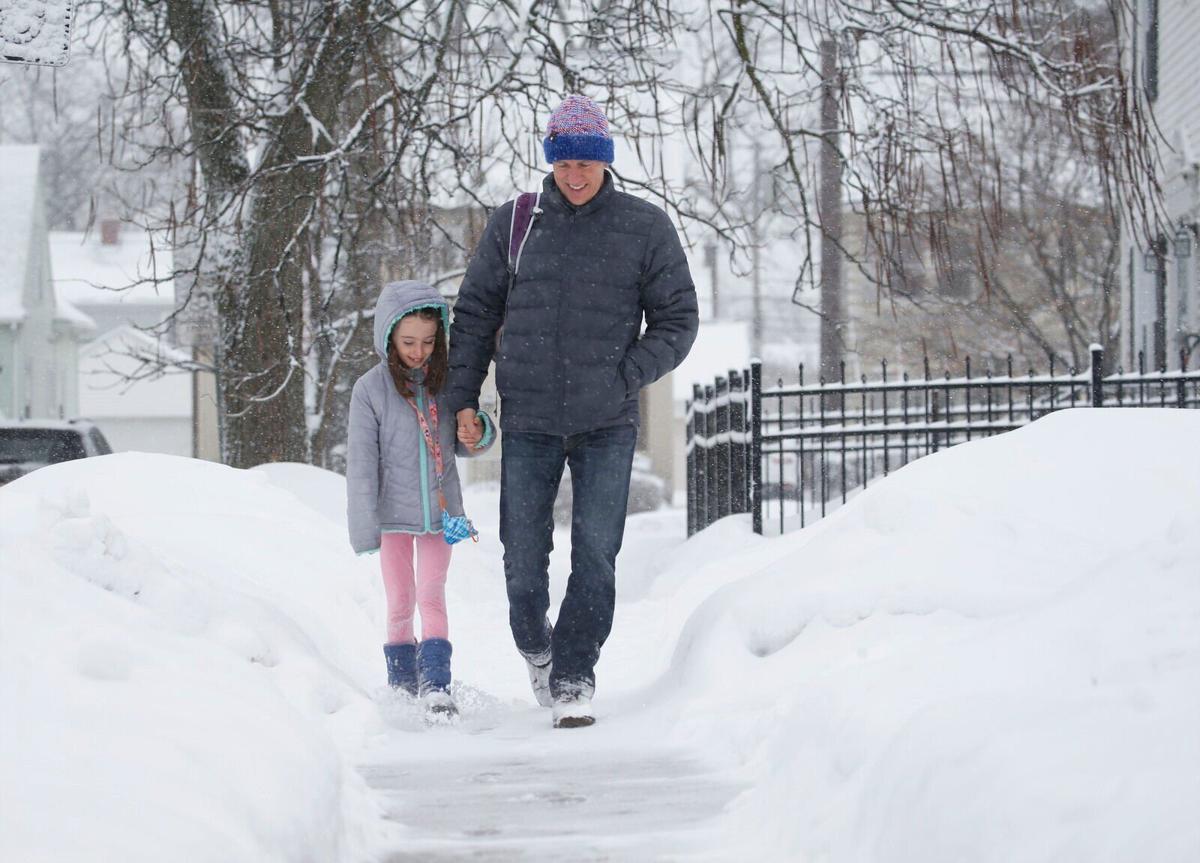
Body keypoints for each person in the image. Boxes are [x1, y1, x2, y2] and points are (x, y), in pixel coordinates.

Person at [447, 94, 699, 728]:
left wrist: (627, 375)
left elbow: (677, 319)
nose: (576, 175)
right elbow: (475, 317)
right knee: (523, 557)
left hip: (606, 421)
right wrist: (463, 400)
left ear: (606, 161)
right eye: (564, 164)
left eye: (587, 163)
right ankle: (536, 643)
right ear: (550, 163)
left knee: (595, 552)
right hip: (529, 417)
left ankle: (574, 673)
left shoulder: (645, 227)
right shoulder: (515, 223)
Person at [346, 280, 494, 718]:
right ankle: (402, 689)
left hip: (442, 513)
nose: (419, 351)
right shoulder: (370, 391)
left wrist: (479, 429)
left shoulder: (446, 384)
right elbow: (361, 466)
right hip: (393, 518)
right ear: (389, 336)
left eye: (429, 342)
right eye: (409, 341)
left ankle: (436, 687)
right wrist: (364, 527)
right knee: (399, 601)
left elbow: (467, 442)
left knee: (432, 595)